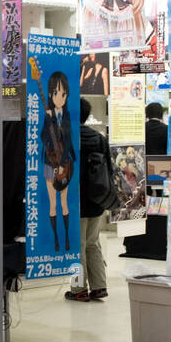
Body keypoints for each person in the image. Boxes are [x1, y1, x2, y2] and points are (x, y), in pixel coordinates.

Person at [67, 97, 109, 302]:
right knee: (93, 243)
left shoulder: (67, 137)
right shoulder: (99, 138)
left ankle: (78, 288)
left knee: (77, 245)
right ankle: (100, 286)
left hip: (75, 201)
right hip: (98, 200)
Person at [121, 102, 168, 259]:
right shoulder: (167, 130)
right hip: (161, 173)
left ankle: (135, 242)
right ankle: (158, 240)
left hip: (141, 175)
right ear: (161, 114)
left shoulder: (140, 130)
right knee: (159, 204)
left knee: (139, 205)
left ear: (146, 114)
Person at [40, 70, 75, 252]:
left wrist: (63, 160)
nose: (59, 97)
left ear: (67, 94)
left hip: (65, 163)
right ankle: (55, 240)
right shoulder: (49, 114)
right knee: (53, 202)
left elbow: (69, 140)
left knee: (64, 201)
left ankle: (67, 238)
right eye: (55, 93)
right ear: (50, 94)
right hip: (49, 162)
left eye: (62, 94)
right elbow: (43, 137)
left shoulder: (67, 116)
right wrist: (49, 122)